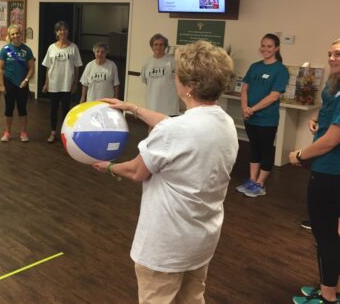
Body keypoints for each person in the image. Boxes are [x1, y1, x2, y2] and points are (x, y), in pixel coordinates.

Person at [93, 41, 238, 304]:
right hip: (201, 240)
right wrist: (133, 108)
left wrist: (110, 167)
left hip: (167, 245)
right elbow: (175, 126)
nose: (175, 78)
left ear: (189, 86)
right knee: (192, 298)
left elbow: (137, 171)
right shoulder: (225, 122)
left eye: (178, 74)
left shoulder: (174, 132)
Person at [289, 38, 340, 304]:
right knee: (331, 233)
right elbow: (329, 114)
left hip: (331, 172)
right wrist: (316, 119)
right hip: (327, 169)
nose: (332, 58)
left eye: (338, 54)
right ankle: (332, 286)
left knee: (325, 234)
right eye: (330, 53)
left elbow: (332, 140)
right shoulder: (335, 85)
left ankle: (328, 296)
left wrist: (298, 155)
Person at [236, 33, 289, 197]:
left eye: (269, 46)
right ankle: (252, 180)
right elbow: (244, 88)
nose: (265, 49)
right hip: (250, 117)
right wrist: (245, 107)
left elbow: (274, 96)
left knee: (266, 150)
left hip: (267, 119)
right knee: (254, 147)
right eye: (263, 45)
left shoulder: (280, 70)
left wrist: (253, 109)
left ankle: (260, 183)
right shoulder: (255, 66)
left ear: (276, 48)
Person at [42, 21, 82, 143]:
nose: (62, 32)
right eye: (60, 30)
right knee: (53, 109)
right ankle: (53, 132)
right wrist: (46, 83)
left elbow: (77, 67)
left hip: (67, 84)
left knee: (66, 109)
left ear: (68, 31)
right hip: (54, 83)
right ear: (56, 32)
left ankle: (65, 133)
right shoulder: (51, 48)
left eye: (65, 29)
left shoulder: (73, 47)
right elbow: (48, 67)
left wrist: (75, 83)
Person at [0, 24, 35, 142]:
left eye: (17, 33)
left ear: (21, 34)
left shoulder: (27, 50)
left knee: (22, 109)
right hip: (9, 83)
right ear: (10, 36)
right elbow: (0, 69)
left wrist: (26, 80)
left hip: (22, 84)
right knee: (8, 109)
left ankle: (23, 133)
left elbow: (31, 68)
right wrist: (2, 85)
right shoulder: (5, 50)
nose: (15, 36)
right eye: (12, 34)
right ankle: (7, 132)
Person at [141, 34, 179, 122]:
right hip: (152, 104)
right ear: (152, 46)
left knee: (168, 130)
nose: (158, 47)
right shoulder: (147, 62)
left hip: (169, 106)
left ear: (165, 46)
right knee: (152, 128)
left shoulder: (172, 61)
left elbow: (179, 80)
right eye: (156, 44)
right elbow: (146, 81)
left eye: (161, 44)